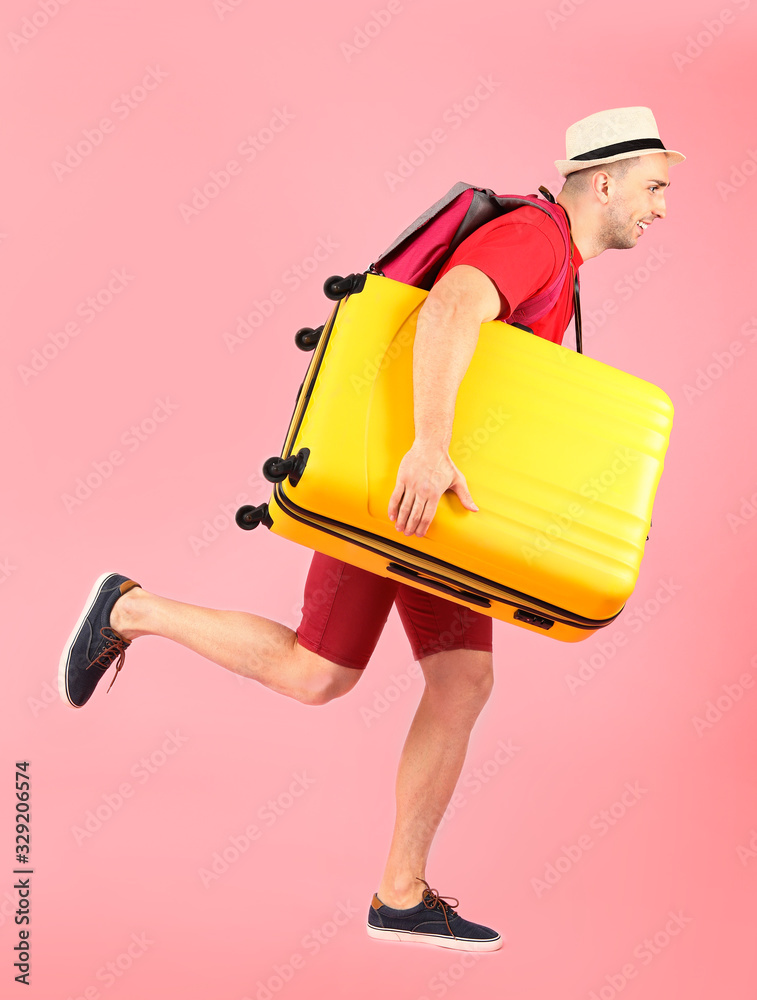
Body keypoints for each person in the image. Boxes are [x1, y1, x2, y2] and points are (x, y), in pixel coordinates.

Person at [58, 107, 684, 953]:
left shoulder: (560, 264)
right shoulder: (536, 237)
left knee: (460, 683)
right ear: (601, 180)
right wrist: (426, 449)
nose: (660, 205)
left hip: (442, 515)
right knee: (317, 675)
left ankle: (399, 894)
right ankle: (130, 609)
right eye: (653, 187)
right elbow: (450, 308)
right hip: (404, 494)